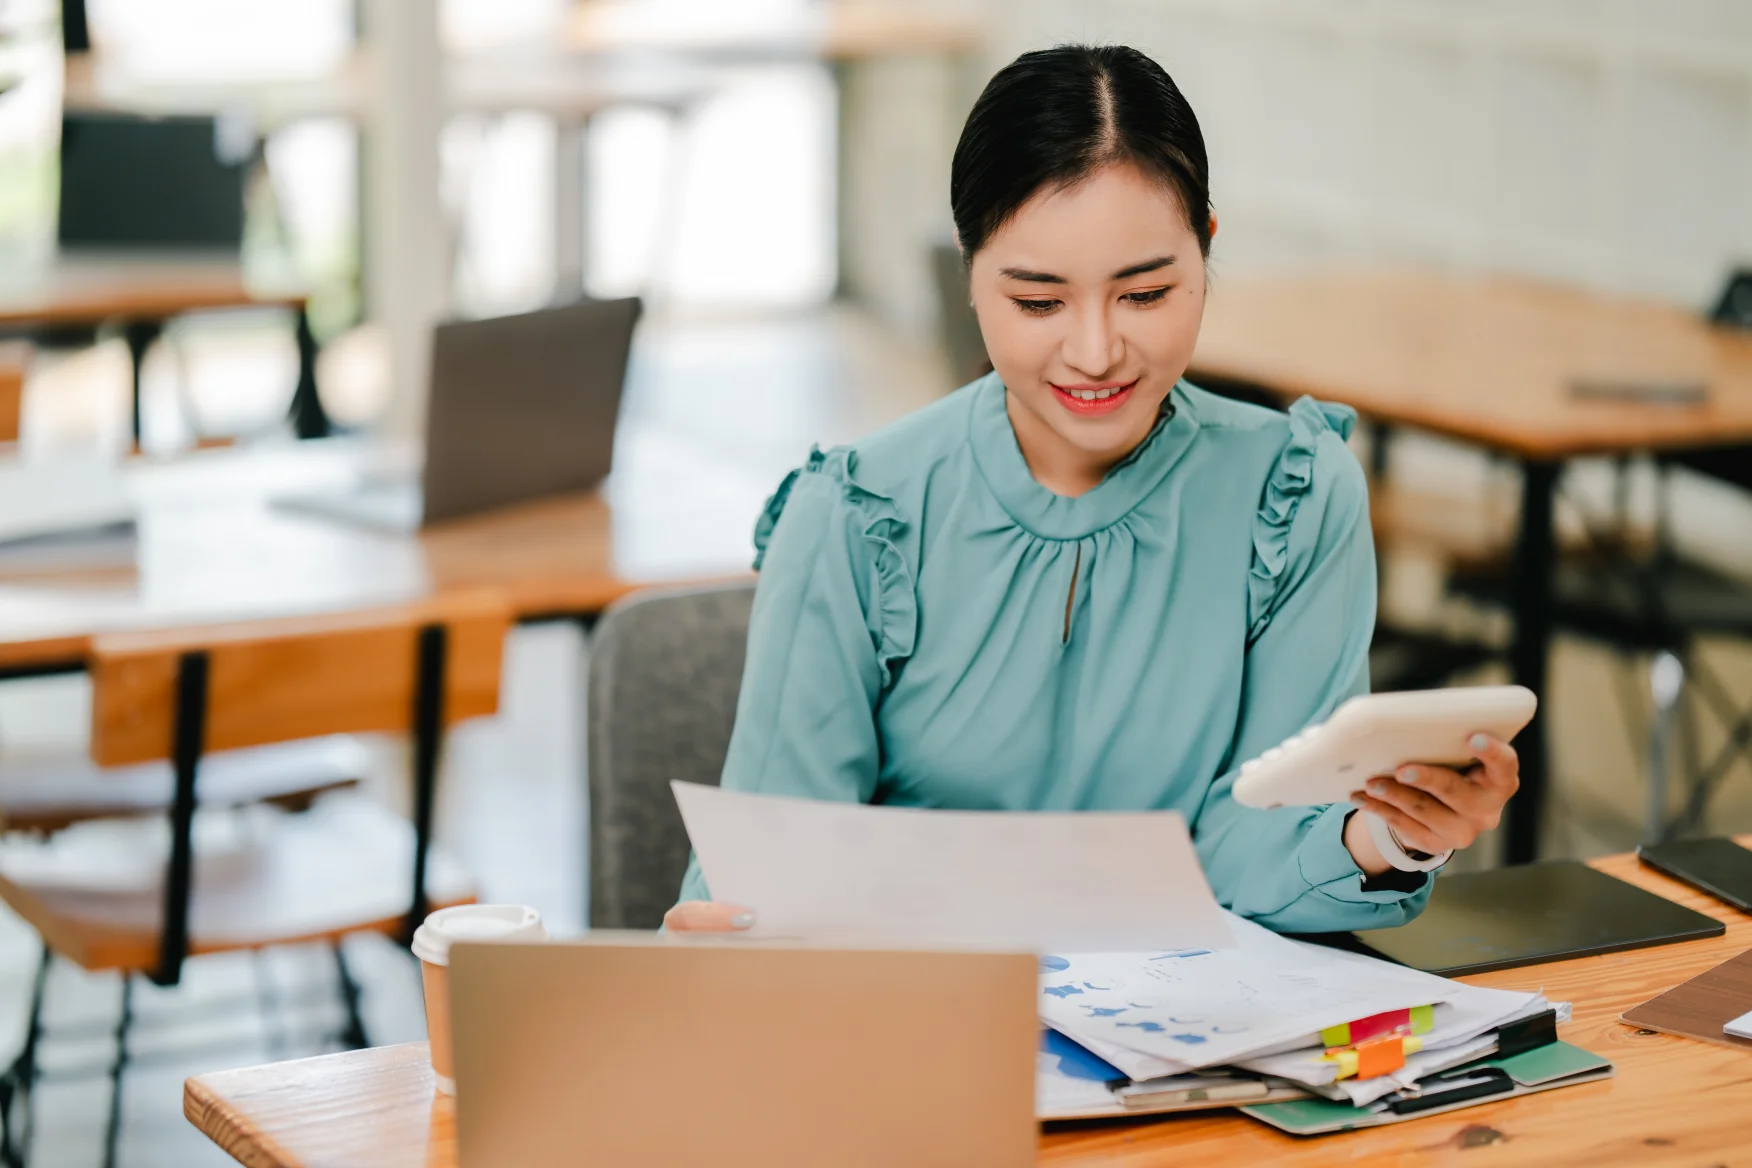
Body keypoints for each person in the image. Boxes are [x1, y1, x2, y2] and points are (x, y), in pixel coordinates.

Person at [667, 44, 1518, 935]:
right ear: (967, 268)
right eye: (1039, 303)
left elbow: (1254, 842)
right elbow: (767, 871)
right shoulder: (855, 515)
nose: (1096, 351)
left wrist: (1387, 834)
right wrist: (717, 942)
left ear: (1207, 251)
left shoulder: (1294, 497)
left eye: (1146, 293)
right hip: (917, 1019)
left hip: (1192, 1044)